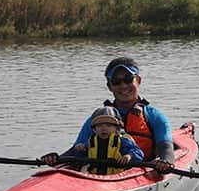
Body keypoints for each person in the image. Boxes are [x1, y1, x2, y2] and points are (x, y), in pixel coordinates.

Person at [44, 57, 174, 173]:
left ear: (138, 81)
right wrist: (56, 159)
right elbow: (77, 151)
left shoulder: (154, 116)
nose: (123, 86)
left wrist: (165, 162)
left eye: (128, 79)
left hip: (140, 171)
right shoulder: (97, 119)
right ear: (109, 86)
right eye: (116, 82)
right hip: (102, 175)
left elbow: (166, 147)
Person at [42, 106, 145, 175]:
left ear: (117, 128)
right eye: (99, 126)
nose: (104, 128)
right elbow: (79, 158)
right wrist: (80, 150)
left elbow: (138, 153)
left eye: (108, 125)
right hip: (95, 177)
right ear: (94, 129)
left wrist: (129, 156)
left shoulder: (123, 141)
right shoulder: (90, 142)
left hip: (116, 176)